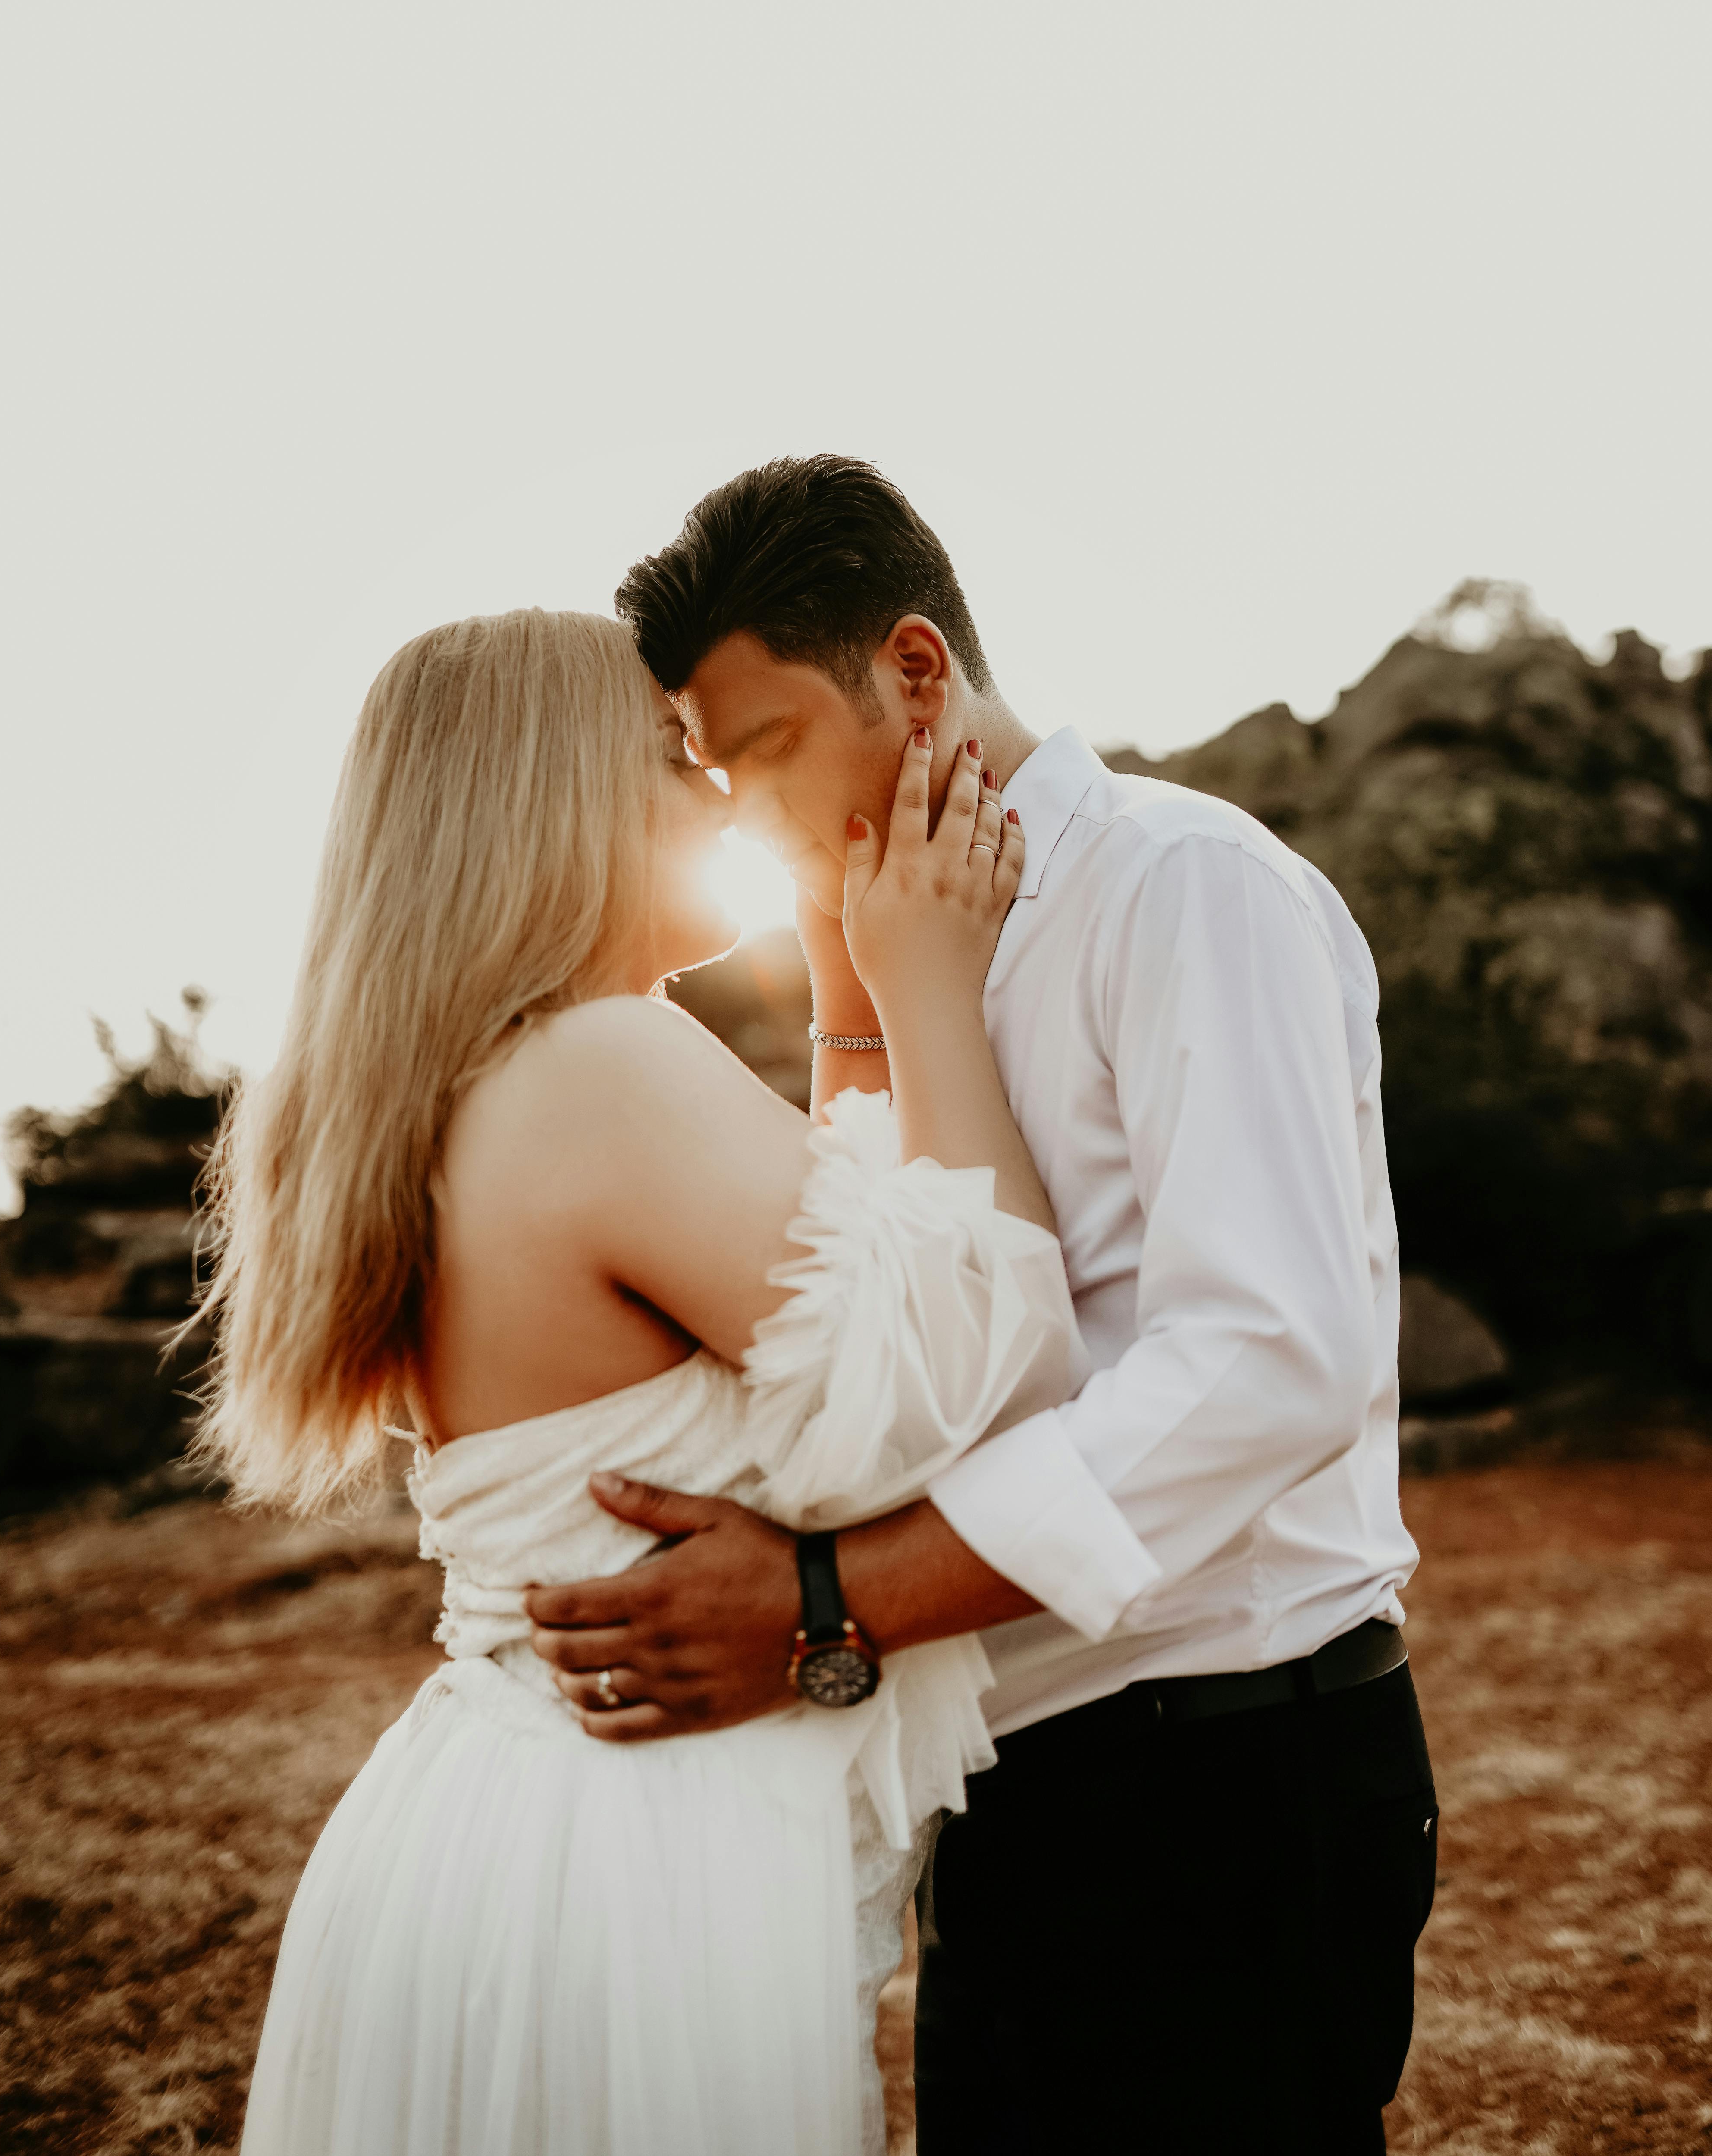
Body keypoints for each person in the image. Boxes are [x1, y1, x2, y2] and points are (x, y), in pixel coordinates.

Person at [528, 455, 1438, 2154]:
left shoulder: (1184, 886)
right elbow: (887, 1334)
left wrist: (825, 1598)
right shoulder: (892, 942)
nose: (747, 812)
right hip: (1015, 1786)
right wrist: (853, 1002)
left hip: (1228, 1774)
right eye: (718, 778)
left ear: (916, 668)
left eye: (771, 747)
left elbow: (1273, 1358)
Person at [198, 608, 1088, 2156]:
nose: (729, 800)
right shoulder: (604, 1065)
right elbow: (981, 1362)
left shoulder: (441, 1093)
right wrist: (932, 981)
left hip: (485, 1818)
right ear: (560, 794)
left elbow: (832, 1281)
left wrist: (844, 989)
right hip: (638, 1858)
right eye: (679, 759)